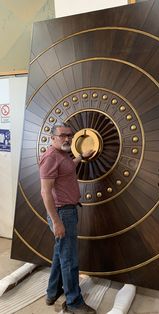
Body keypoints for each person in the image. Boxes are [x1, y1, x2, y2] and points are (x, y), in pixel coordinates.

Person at [39, 123, 96, 314]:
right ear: (52, 137)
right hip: (62, 213)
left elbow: (68, 167)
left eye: (69, 135)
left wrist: (80, 156)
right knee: (69, 259)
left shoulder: (63, 155)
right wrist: (56, 222)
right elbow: (45, 192)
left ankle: (52, 292)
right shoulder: (50, 158)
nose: (67, 139)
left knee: (60, 254)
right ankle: (74, 302)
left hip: (68, 211)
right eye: (62, 135)